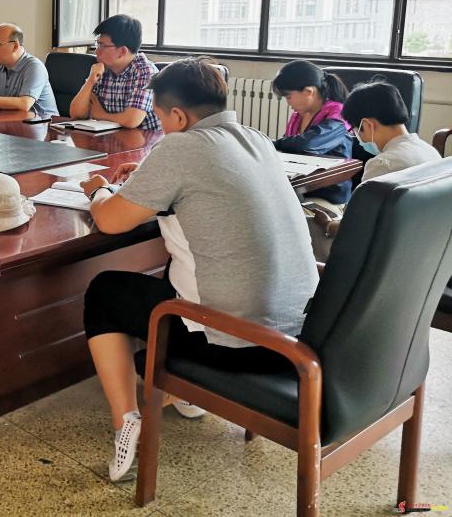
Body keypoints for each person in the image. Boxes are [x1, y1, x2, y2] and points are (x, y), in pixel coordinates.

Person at [78, 58, 317, 481]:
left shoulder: (180, 148)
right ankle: (184, 393)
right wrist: (147, 177)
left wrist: (101, 189)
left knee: (104, 292)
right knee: (180, 261)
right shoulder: (256, 139)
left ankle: (126, 420)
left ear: (177, 116)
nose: (162, 127)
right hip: (298, 335)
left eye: (161, 118)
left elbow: (110, 220)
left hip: (237, 344)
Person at [306, 81, 442, 257]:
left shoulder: (383, 164)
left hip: (381, 255)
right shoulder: (429, 151)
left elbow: (355, 229)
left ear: (367, 124)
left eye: (356, 130)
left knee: (308, 225)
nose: (357, 137)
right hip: (422, 249)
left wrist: (328, 224)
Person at [272, 60, 353, 207]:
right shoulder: (299, 116)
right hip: (300, 187)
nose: (288, 103)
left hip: (327, 193)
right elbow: (289, 145)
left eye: (288, 96)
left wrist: (272, 143)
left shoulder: (338, 115)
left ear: (309, 91)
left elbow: (307, 144)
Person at [69, 15, 160, 130]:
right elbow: (76, 114)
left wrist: (101, 115)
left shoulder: (146, 72)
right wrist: (91, 80)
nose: (96, 51)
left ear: (122, 51)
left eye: (102, 46)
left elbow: (131, 120)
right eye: (97, 44)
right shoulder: (103, 68)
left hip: (146, 139)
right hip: (112, 137)